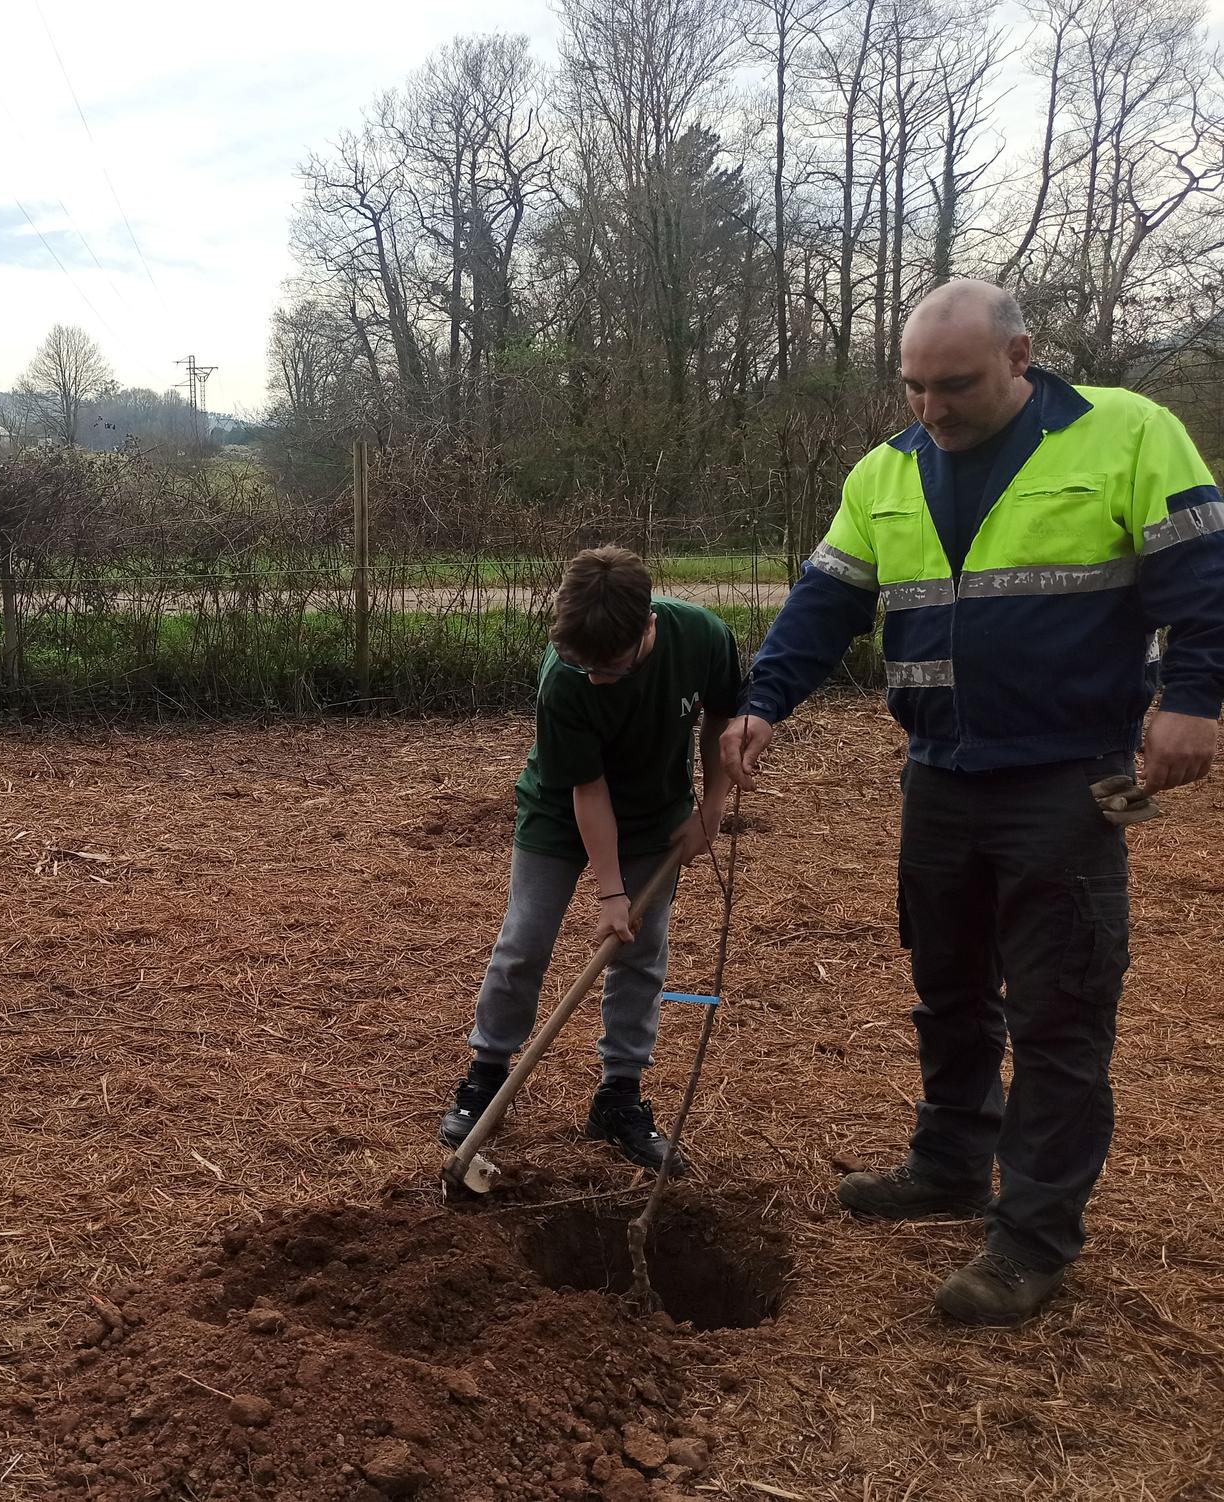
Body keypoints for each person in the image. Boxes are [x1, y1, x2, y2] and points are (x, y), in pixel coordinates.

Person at [724, 279, 1224, 1325]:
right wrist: (763, 702)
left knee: (1058, 1007)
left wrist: (1191, 701)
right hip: (938, 775)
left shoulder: (1124, 434)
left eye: (950, 385)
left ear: (1018, 355)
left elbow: (1204, 586)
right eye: (912, 386)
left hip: (1067, 774)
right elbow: (824, 603)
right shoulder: (886, 471)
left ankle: (1030, 1238)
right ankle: (949, 1160)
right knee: (946, 984)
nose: (929, 409)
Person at [439, 546, 740, 1173]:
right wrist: (610, 894)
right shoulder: (565, 676)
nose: (595, 676)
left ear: (648, 627)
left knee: (641, 952)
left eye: (610, 667)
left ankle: (618, 1097)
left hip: (656, 812)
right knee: (524, 940)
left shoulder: (703, 637)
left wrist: (710, 807)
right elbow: (587, 789)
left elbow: (722, 717)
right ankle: (486, 1075)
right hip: (561, 809)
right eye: (585, 665)